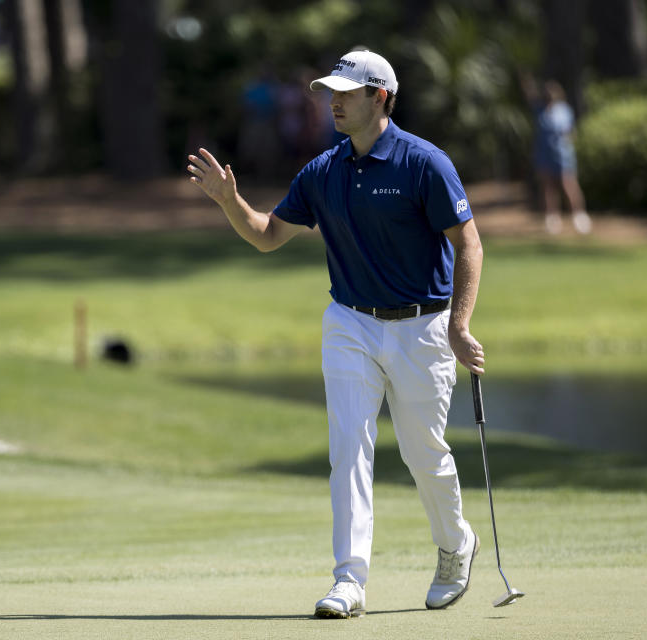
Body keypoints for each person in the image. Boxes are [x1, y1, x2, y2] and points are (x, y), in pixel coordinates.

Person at [187, 49, 485, 618]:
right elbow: (268, 235)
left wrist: (459, 323)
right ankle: (349, 582)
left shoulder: (425, 164)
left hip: (422, 326)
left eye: (347, 93)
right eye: (331, 92)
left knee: (424, 453)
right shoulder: (322, 172)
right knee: (349, 449)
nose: (334, 102)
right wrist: (230, 202)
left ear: (382, 97)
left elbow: (467, 242)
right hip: (349, 323)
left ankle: (455, 545)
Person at [524, 76, 591, 234]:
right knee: (548, 187)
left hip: (563, 154)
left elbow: (570, 132)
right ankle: (552, 218)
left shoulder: (564, 110)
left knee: (569, 185)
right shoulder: (539, 110)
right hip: (544, 154)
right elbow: (529, 94)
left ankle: (579, 215)